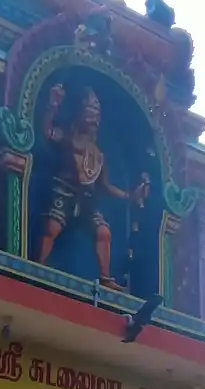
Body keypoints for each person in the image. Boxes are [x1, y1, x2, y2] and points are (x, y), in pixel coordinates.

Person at [33, 84, 150, 287]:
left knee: (103, 233)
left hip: (87, 200)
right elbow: (46, 130)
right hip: (64, 192)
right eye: (89, 111)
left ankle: (104, 277)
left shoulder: (98, 154)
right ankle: (37, 266)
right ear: (78, 114)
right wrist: (52, 105)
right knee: (51, 229)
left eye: (97, 113)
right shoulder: (67, 138)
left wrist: (129, 196)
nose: (93, 117)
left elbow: (104, 185)